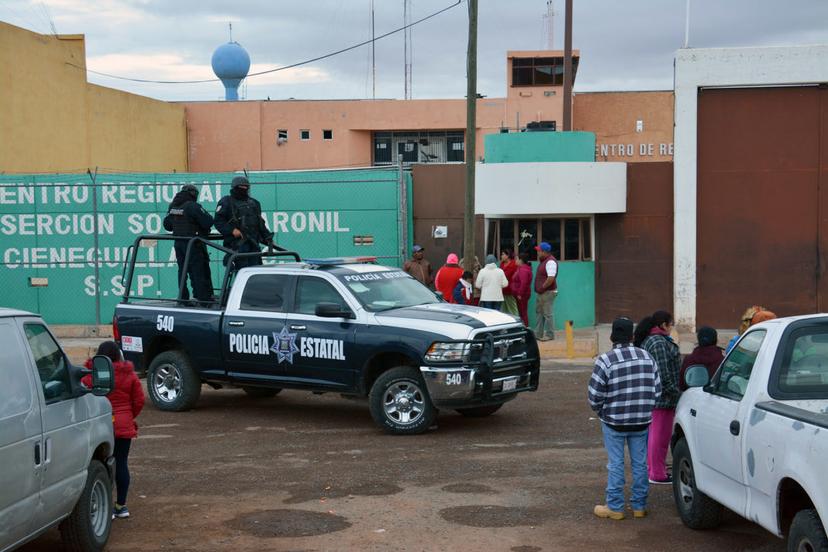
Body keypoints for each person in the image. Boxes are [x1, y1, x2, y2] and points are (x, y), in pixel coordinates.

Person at [589, 317, 661, 520]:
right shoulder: (647, 357)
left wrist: (602, 411)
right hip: (641, 421)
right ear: (631, 336)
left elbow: (595, 395)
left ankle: (615, 507)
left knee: (616, 464)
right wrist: (646, 410)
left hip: (614, 422)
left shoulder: (605, 360)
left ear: (612, 336)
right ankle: (639, 506)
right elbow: (657, 390)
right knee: (640, 463)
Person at [82, 341, 145, 519]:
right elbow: (139, 401)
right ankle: (121, 506)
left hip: (101, 426)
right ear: (118, 355)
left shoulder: (91, 375)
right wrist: (129, 417)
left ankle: (104, 507)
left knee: (101, 466)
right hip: (123, 425)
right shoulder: (130, 375)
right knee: (121, 463)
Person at [633, 310, 681, 485]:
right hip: (663, 399)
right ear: (663, 325)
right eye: (670, 324)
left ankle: (653, 468)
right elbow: (663, 373)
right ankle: (657, 473)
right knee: (660, 438)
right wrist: (676, 393)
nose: (671, 328)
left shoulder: (653, 340)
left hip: (657, 397)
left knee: (655, 436)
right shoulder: (658, 343)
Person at [163, 184, 215, 303]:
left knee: (182, 270)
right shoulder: (192, 206)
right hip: (194, 244)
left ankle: (183, 297)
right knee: (198, 270)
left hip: (179, 244)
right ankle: (203, 299)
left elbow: (167, 225)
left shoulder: (174, 207)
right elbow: (208, 221)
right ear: (193, 194)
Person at [214, 176, 275, 270]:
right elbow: (218, 221)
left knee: (256, 272)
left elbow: (260, 223)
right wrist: (232, 230)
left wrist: (268, 237)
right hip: (237, 245)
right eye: (241, 187)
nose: (244, 189)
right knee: (241, 272)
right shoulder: (226, 201)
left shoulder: (254, 203)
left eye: (246, 187)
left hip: (254, 244)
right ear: (234, 187)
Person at [679, 326, 724, 391]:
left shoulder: (688, 360)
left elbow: (682, 385)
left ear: (698, 340)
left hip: (693, 397)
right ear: (716, 340)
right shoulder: (722, 360)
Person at [534, 242, 559, 341]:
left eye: (539, 251)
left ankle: (550, 335)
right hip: (542, 292)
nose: (538, 253)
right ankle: (538, 334)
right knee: (539, 313)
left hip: (547, 292)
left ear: (544, 252)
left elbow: (551, 278)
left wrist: (542, 288)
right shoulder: (544, 261)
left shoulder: (550, 262)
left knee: (547, 314)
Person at [510, 253, 533, 326]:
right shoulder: (520, 268)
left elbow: (524, 283)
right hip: (519, 295)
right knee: (521, 312)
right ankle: (523, 327)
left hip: (522, 295)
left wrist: (520, 293)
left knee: (523, 313)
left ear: (521, 260)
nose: (515, 261)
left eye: (516, 259)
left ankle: (525, 328)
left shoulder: (523, 270)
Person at [500, 249, 519, 316]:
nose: (501, 256)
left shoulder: (514, 264)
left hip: (510, 290)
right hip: (502, 290)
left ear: (507, 256)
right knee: (504, 310)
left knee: (512, 309)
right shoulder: (502, 264)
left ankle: (516, 322)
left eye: (503, 254)